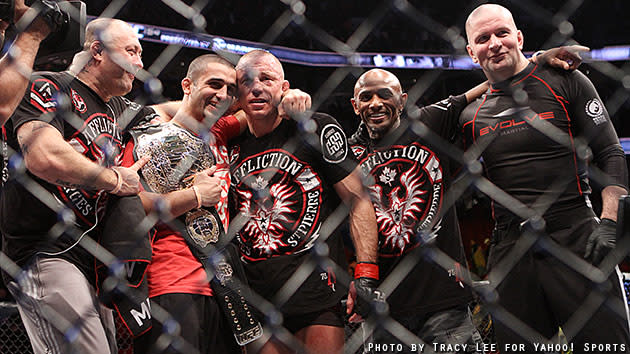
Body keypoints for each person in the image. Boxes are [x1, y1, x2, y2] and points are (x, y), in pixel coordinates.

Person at [462, 4, 630, 353]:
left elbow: (611, 152)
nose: (494, 43)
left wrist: (610, 221)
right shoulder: (470, 116)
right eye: (483, 39)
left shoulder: (564, 79)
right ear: (471, 52)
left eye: (502, 33)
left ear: (518, 37)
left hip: (576, 235)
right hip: (510, 248)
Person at [0, 18, 158, 353]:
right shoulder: (48, 85)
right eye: (132, 51)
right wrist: (114, 180)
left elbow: (171, 112)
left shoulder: (116, 109)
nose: (140, 63)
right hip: (46, 250)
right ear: (97, 51)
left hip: (93, 262)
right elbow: (42, 156)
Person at [228, 49, 379, 354]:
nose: (257, 87)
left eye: (267, 79)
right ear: (238, 94)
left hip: (316, 290)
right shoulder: (227, 140)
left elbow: (358, 198)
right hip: (254, 294)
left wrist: (365, 273)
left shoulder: (313, 127)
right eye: (247, 81)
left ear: (284, 87)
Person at [348, 68, 487, 353]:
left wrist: (535, 61)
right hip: (382, 305)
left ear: (402, 100)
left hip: (443, 300)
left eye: (384, 95)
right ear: (355, 105)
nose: (375, 103)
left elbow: (484, 87)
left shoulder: (427, 122)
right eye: (366, 97)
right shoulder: (347, 154)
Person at [123, 54, 243, 354]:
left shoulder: (218, 132)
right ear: (186, 85)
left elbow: (258, 107)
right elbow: (130, 206)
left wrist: (288, 96)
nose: (224, 95)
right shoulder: (148, 139)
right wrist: (194, 196)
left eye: (231, 89)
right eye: (215, 84)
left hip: (224, 286)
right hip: (172, 281)